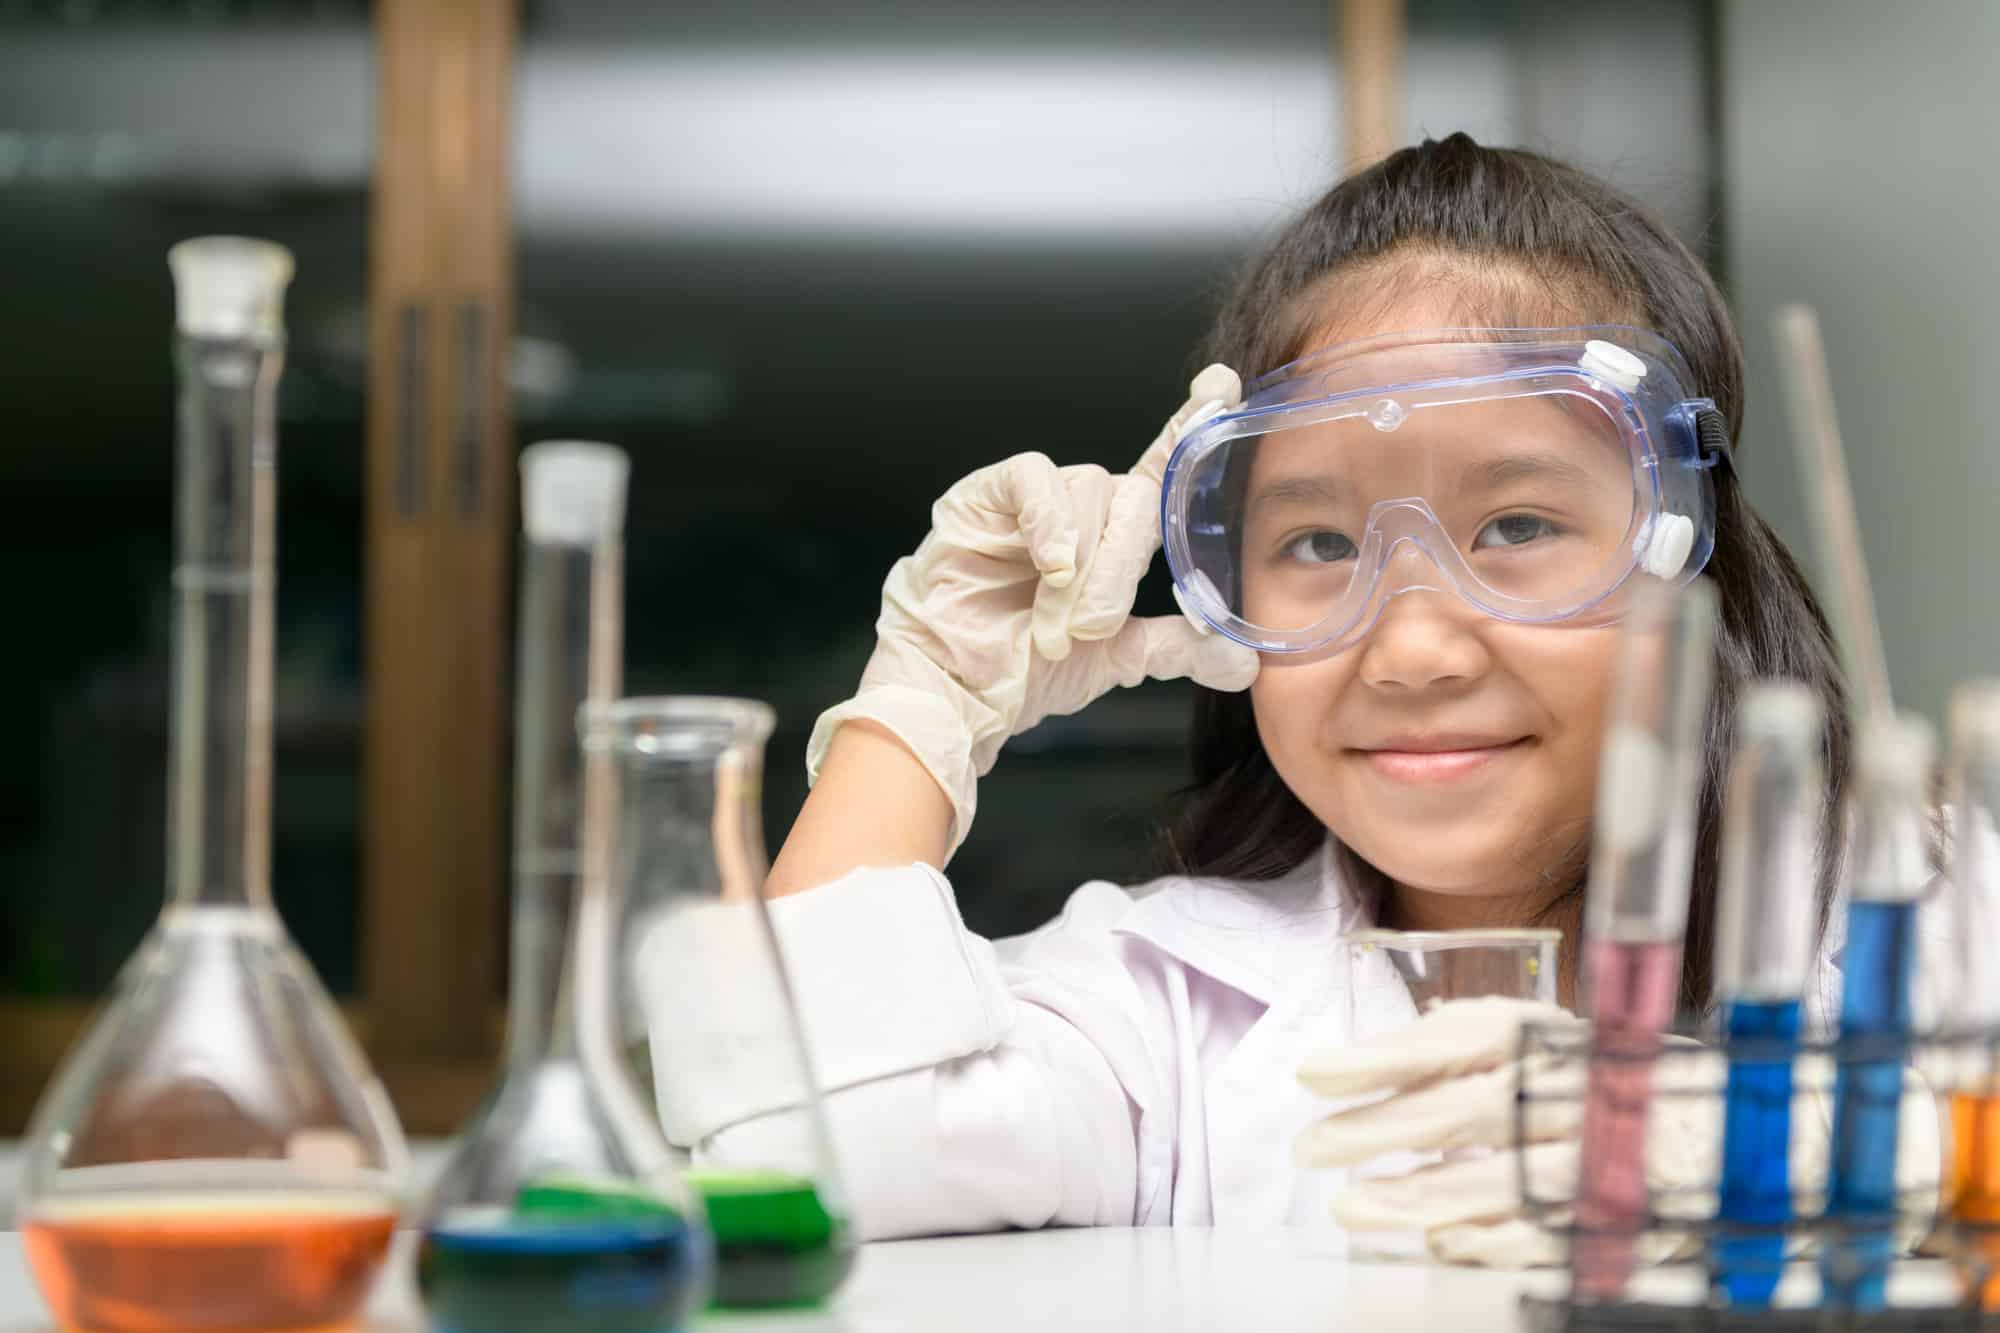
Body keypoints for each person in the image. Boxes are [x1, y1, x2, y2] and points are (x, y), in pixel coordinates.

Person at [639, 134, 1941, 1258]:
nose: (1415, 646)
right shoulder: (1169, 1007)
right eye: (1320, 544)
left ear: (1678, 543)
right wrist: (925, 701)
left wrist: (1848, 1142)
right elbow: (786, 1150)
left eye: (1522, 522)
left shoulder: (1927, 904)